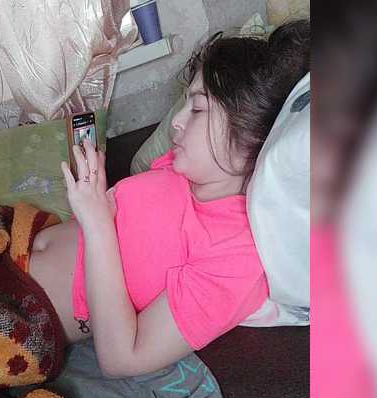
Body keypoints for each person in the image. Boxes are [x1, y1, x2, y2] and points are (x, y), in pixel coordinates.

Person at [29, 21, 310, 378]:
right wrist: (96, 193)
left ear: (252, 132)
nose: (176, 121)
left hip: (22, 313)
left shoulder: (236, 257)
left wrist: (97, 222)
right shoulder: (180, 168)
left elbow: (121, 358)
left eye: (197, 109)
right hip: (10, 241)